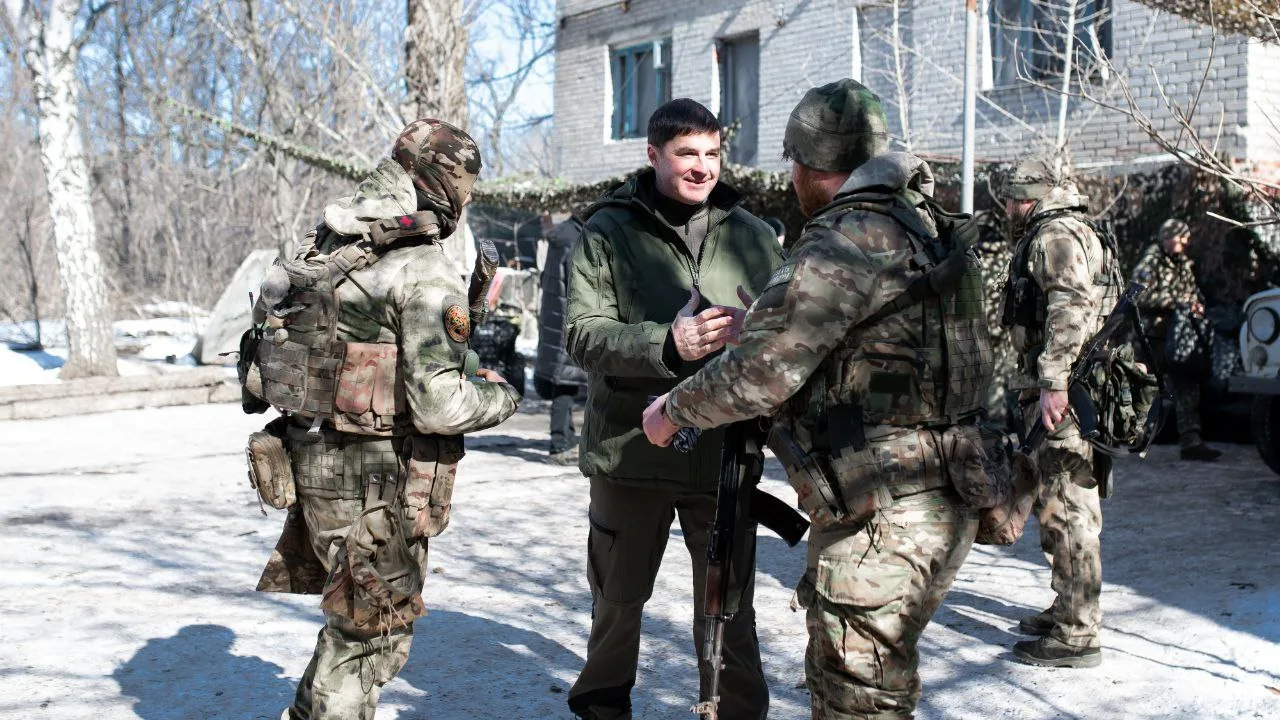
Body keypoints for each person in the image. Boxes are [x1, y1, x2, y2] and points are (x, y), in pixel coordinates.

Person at [643, 78, 996, 719]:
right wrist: (765, 325)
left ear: (810, 164)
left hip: (884, 512)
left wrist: (670, 412)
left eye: (793, 163)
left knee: (858, 698)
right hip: (945, 491)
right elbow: (903, 348)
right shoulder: (923, 225)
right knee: (872, 683)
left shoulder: (844, 238)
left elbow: (763, 376)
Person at [245, 119, 521, 720]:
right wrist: (501, 397)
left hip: (310, 459)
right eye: (467, 186)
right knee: (371, 635)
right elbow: (440, 405)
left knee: (352, 622)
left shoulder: (330, 241)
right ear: (448, 184)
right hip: (376, 481)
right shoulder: (420, 264)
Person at [564, 98, 782, 720]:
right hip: (630, 452)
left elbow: (789, 331)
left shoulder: (752, 234)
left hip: (724, 454)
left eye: (713, 153)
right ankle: (603, 709)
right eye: (687, 153)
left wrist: (756, 333)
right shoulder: (608, 230)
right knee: (617, 602)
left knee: (729, 608)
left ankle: (734, 712)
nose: (702, 167)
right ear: (654, 155)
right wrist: (667, 342)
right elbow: (581, 334)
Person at [998, 154, 1117, 668]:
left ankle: (1077, 633)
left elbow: (1070, 308)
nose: (1005, 208)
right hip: (1068, 389)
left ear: (1026, 198)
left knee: (1069, 507)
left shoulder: (1056, 236)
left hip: (1067, 395)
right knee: (1055, 505)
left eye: (1009, 198)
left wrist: (1053, 381)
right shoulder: (1064, 229)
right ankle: (1067, 606)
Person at [1131, 218, 1221, 461]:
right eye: (1181, 237)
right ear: (1167, 237)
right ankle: (1135, 436)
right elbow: (1138, 296)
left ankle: (1191, 442)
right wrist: (1176, 302)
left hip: (1179, 337)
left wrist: (1196, 305)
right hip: (1152, 338)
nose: (1186, 241)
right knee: (1145, 388)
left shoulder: (1183, 264)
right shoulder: (1151, 261)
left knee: (1187, 386)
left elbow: (1192, 292)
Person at [535, 215, 588, 465]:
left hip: (555, 317)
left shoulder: (563, 235)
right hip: (567, 320)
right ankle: (559, 445)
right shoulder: (575, 240)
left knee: (564, 382)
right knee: (564, 384)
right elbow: (579, 284)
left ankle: (566, 437)